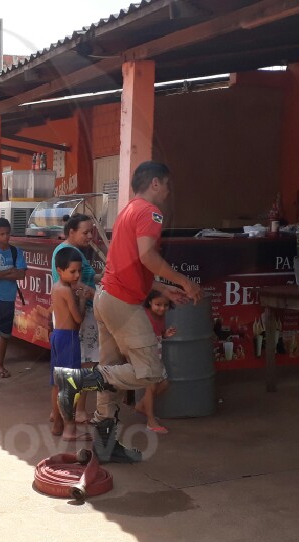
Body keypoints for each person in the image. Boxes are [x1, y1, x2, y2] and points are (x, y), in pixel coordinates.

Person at [53, 161, 202, 463]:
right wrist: (184, 281)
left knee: (112, 374)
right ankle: (77, 380)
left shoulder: (129, 210)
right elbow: (147, 256)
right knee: (150, 370)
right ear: (156, 183)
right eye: (167, 184)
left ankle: (105, 446)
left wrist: (159, 288)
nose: (169, 191)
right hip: (122, 303)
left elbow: (130, 265)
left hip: (108, 298)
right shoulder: (150, 212)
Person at [50, 214, 99, 424]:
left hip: (69, 324)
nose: (90, 236)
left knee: (64, 374)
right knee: (83, 366)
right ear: (71, 232)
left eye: (91, 232)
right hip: (75, 320)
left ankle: (60, 414)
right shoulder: (66, 253)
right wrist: (87, 294)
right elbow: (74, 286)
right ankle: (76, 413)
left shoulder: (72, 252)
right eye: (85, 232)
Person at [49, 247, 91, 442]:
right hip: (69, 338)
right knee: (71, 385)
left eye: (79, 271)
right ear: (60, 270)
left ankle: (58, 424)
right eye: (73, 271)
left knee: (57, 383)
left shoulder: (56, 287)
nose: (77, 275)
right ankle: (69, 428)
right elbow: (78, 318)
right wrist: (82, 299)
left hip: (57, 336)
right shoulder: (66, 291)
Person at [0, 217, 27, 385]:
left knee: (5, 335)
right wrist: (9, 272)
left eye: (8, 234)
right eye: (2, 234)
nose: (6, 237)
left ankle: (0, 365)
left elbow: (21, 275)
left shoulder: (16, 252)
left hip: (9, 298)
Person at [135, 290, 177, 433]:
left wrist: (165, 334)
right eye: (158, 304)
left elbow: (159, 333)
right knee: (151, 387)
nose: (162, 308)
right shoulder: (144, 315)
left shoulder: (161, 316)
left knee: (164, 383)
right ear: (150, 303)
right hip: (147, 353)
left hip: (156, 354)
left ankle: (142, 406)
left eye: (165, 305)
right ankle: (151, 421)